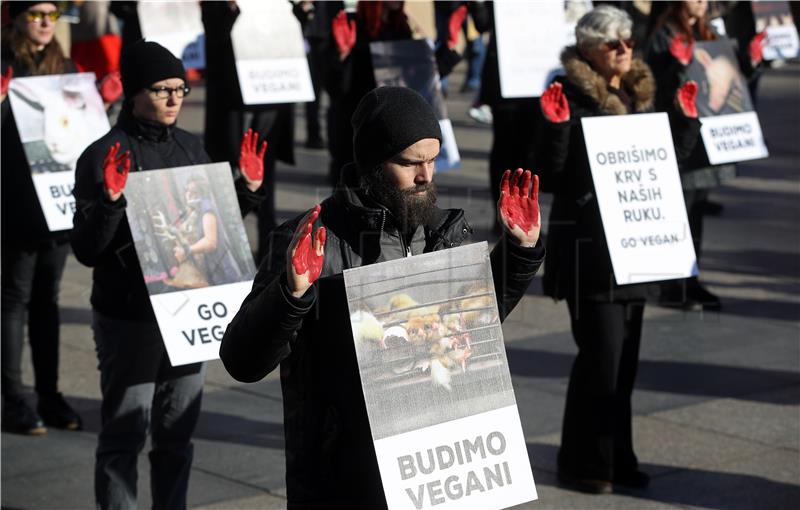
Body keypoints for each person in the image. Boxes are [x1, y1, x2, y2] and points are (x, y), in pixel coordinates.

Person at [220, 86, 545, 508]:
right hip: (345, 478)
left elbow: (473, 324)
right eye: (411, 163)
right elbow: (242, 361)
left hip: (433, 469)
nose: (426, 176)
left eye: (432, 159)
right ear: (374, 162)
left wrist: (518, 254)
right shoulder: (311, 239)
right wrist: (291, 293)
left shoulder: (445, 231)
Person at [70, 40, 264, 509]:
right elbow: (87, 250)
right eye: (162, 90)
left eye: (180, 88)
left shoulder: (191, 147)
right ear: (135, 93)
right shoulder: (103, 155)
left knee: (176, 435)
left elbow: (214, 230)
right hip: (130, 317)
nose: (176, 98)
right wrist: (112, 205)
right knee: (124, 434)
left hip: (185, 313)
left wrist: (247, 189)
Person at [537, 5, 700, 494]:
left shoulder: (639, 92)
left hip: (635, 246)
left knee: (624, 360)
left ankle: (617, 456)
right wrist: (556, 128)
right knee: (600, 357)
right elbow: (551, 173)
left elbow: (668, 162)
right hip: (591, 249)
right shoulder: (565, 92)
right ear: (588, 48)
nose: (625, 49)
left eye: (628, 40)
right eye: (614, 43)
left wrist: (686, 121)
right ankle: (583, 461)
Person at [645, 0, 765, 311]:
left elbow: (734, 81)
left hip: (706, 138)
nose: (700, 1)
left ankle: (690, 279)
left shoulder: (710, 31)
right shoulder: (664, 34)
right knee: (680, 212)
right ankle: (672, 285)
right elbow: (651, 85)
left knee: (696, 209)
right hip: (681, 137)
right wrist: (677, 64)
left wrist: (750, 62)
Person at [1, 1, 82, 435]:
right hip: (15, 198)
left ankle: (49, 394)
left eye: (53, 14)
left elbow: (80, 128)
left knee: (46, 299)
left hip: (56, 201)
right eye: (37, 14)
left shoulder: (63, 63)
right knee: (13, 298)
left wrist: (103, 103)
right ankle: (13, 399)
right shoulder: (3, 60)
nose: (47, 23)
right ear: (16, 18)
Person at [201, 0, 296, 263]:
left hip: (271, 92)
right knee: (230, 170)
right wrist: (230, 10)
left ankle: (268, 241)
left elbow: (293, 33)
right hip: (233, 99)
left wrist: (301, 10)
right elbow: (214, 39)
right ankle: (221, 245)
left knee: (265, 166)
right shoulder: (218, 5)